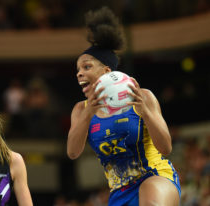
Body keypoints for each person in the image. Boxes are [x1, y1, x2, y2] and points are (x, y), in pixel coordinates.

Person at [67, 6, 181, 206]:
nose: (79, 73)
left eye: (86, 67)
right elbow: (73, 152)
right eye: (77, 69)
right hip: (119, 192)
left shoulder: (141, 96)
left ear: (106, 71)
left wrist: (145, 112)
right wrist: (88, 114)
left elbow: (166, 148)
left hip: (155, 177)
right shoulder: (80, 110)